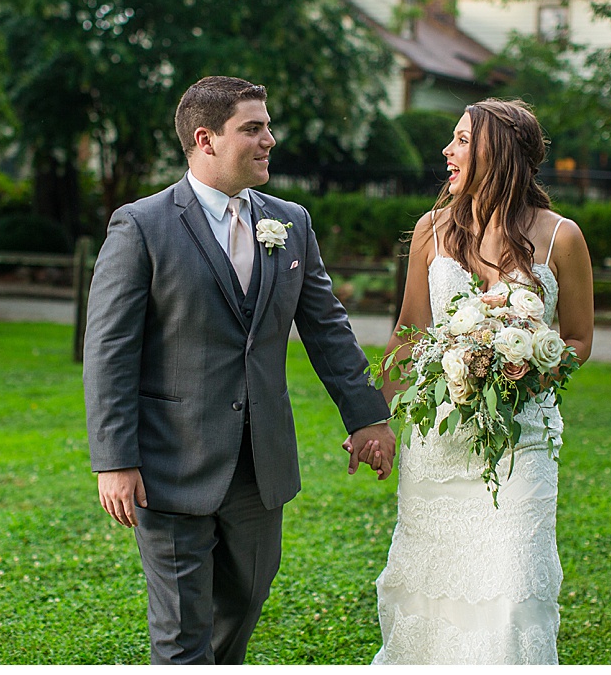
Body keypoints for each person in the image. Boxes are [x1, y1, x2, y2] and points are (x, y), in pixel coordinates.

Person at [84, 75, 397, 665]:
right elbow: (108, 351)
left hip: (261, 463)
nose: (269, 140)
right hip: (169, 462)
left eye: (267, 127)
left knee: (247, 599)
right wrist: (114, 460)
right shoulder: (142, 226)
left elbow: (327, 328)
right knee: (182, 632)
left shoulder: (291, 223)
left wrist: (368, 417)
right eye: (253, 129)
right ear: (206, 139)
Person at [351, 98, 594, 664]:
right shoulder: (431, 230)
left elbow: (579, 338)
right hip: (439, 445)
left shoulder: (563, 238)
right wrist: (370, 417)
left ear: (497, 152)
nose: (447, 151)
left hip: (522, 444)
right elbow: (410, 333)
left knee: (512, 592)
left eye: (461, 140)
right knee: (431, 596)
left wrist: (534, 366)